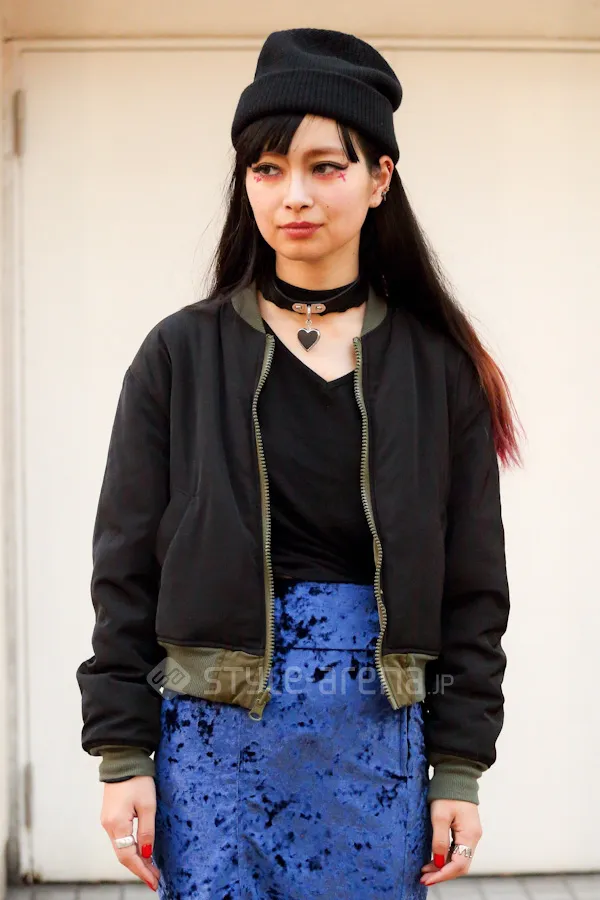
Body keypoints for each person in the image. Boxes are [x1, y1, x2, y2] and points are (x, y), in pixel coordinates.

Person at [76, 27, 522, 899]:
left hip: (375, 747)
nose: (294, 195)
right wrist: (123, 752)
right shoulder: (179, 355)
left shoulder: (439, 371)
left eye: (326, 166)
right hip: (209, 746)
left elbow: (475, 588)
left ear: (380, 178)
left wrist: (460, 768)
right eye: (268, 168)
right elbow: (123, 569)